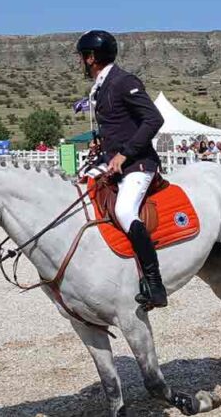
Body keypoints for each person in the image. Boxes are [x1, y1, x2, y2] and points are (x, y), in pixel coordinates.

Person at [77, 29, 167, 310]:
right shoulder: (102, 86)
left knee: (125, 210)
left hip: (138, 163)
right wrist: (102, 155)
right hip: (113, 162)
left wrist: (124, 154)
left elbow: (153, 119)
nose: (81, 62)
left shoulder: (123, 81)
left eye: (83, 57)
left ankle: (154, 283)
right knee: (80, 192)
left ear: (91, 58)